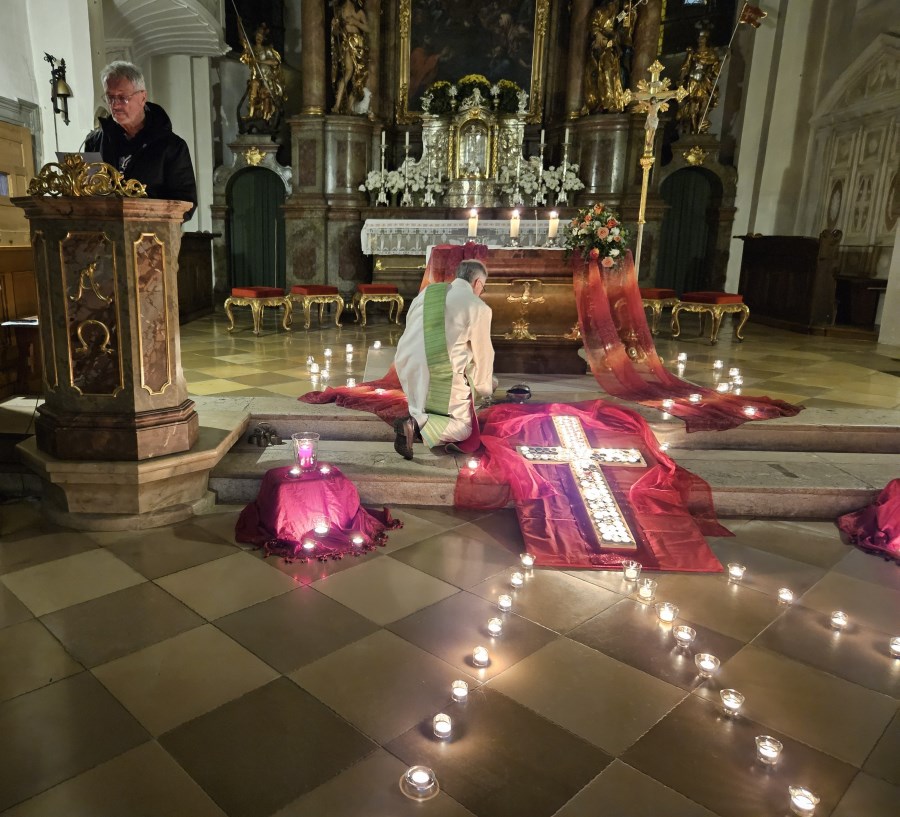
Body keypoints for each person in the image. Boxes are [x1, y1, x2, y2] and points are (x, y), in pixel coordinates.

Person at [392, 259, 495, 460]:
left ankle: (417, 417)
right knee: (464, 428)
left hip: (405, 363)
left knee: (424, 403)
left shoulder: (428, 293)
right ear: (478, 284)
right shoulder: (478, 306)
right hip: (437, 371)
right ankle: (414, 425)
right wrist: (485, 388)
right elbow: (484, 354)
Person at [85, 61, 197, 221]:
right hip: (106, 235)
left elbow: (186, 203)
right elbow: (87, 193)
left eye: (122, 97)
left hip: (154, 237)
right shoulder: (95, 142)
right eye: (110, 97)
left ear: (143, 97)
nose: (114, 105)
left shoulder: (172, 146)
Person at [239, 22, 286, 125]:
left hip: (267, 78)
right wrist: (239, 24)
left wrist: (260, 61)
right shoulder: (252, 49)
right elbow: (243, 40)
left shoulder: (267, 49)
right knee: (254, 86)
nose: (258, 38)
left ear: (264, 38)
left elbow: (275, 62)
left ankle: (266, 119)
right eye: (257, 36)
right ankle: (251, 114)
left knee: (266, 95)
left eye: (260, 36)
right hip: (257, 77)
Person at [676, 29, 721, 136]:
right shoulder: (693, 53)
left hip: (704, 82)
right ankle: (694, 130)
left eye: (703, 38)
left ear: (706, 40)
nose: (700, 40)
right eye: (699, 38)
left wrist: (721, 62)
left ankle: (700, 129)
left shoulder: (711, 54)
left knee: (704, 107)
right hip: (693, 81)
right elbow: (686, 66)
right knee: (693, 107)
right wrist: (681, 79)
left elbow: (715, 69)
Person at [331, 0, 371, 114]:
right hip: (347, 42)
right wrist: (334, 27)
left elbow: (368, 29)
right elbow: (336, 33)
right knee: (348, 72)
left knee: (359, 76)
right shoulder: (340, 11)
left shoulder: (359, 12)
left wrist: (355, 22)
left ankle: (349, 105)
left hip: (358, 44)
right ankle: (337, 105)